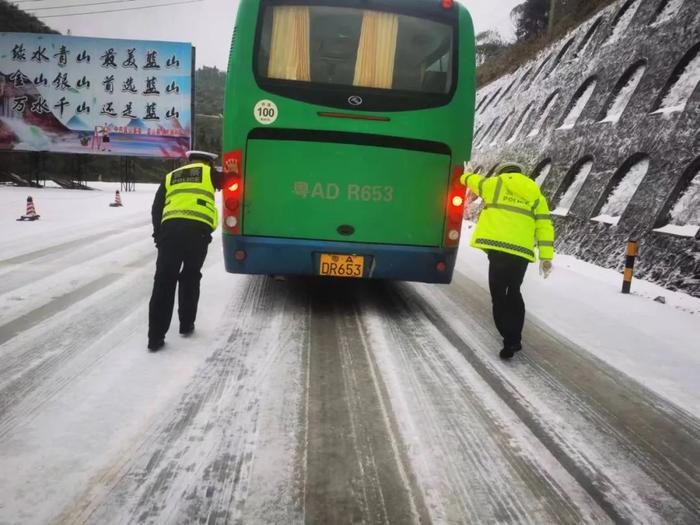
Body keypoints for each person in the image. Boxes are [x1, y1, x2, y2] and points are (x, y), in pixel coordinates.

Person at [460, 162, 554, 359]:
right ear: (521, 174)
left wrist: (464, 173)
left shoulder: (494, 184)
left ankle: (509, 339)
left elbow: (472, 180)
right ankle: (515, 338)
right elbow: (544, 226)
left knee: (499, 294)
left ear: (503, 172)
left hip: (498, 251)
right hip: (521, 252)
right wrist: (546, 257)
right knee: (514, 291)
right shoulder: (536, 193)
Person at [148, 150, 222, 351]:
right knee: (190, 276)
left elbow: (157, 208)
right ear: (208, 162)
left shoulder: (171, 177)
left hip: (170, 233)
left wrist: (158, 236)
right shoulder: (208, 173)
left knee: (164, 281)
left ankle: (155, 338)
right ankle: (186, 325)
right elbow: (230, 182)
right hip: (197, 233)